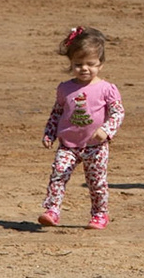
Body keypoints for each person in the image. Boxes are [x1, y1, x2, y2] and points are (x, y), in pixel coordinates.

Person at [39, 26, 125, 228]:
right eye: (78, 64)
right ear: (71, 63)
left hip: (95, 147)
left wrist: (106, 130)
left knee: (97, 183)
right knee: (58, 175)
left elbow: (118, 112)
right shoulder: (65, 88)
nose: (84, 68)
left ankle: (100, 214)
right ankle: (52, 210)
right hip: (68, 144)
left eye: (91, 64)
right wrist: (49, 132)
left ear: (101, 64)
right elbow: (57, 112)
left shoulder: (107, 89)